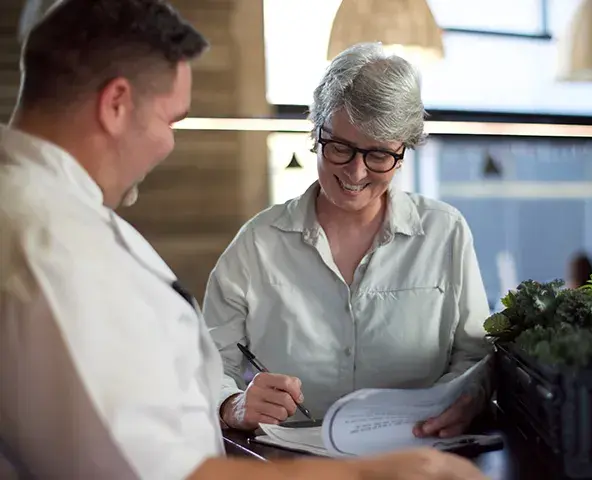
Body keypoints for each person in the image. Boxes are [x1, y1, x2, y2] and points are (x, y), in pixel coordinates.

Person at [0, 1, 487, 479]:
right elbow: (150, 468)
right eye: (173, 121)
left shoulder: (51, 220)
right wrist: (377, 475)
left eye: (379, 154)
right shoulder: (52, 246)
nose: (170, 144)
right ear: (116, 104)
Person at [203, 43, 494, 438]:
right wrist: (232, 404)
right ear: (316, 132)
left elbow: (476, 355)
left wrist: (467, 399)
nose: (356, 172)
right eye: (340, 148)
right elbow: (205, 364)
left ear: (402, 151)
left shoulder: (445, 233)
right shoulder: (257, 244)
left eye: (377, 155)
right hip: (295, 464)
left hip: (417, 454)